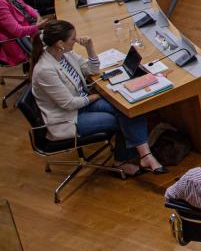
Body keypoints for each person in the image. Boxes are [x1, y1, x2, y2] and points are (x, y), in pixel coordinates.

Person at [33, 19, 163, 176]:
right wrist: (96, 96)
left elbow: (92, 68)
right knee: (120, 119)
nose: (76, 41)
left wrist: (89, 47)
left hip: (82, 103)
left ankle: (144, 156)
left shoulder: (64, 53)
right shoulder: (45, 70)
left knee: (127, 109)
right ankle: (122, 161)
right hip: (68, 117)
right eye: (73, 39)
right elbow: (69, 103)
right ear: (60, 43)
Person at [0, 0, 40, 67]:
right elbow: (17, 31)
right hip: (19, 40)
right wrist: (37, 26)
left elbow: (24, 6)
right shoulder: (1, 4)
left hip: (29, 29)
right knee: (59, 40)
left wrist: (37, 15)